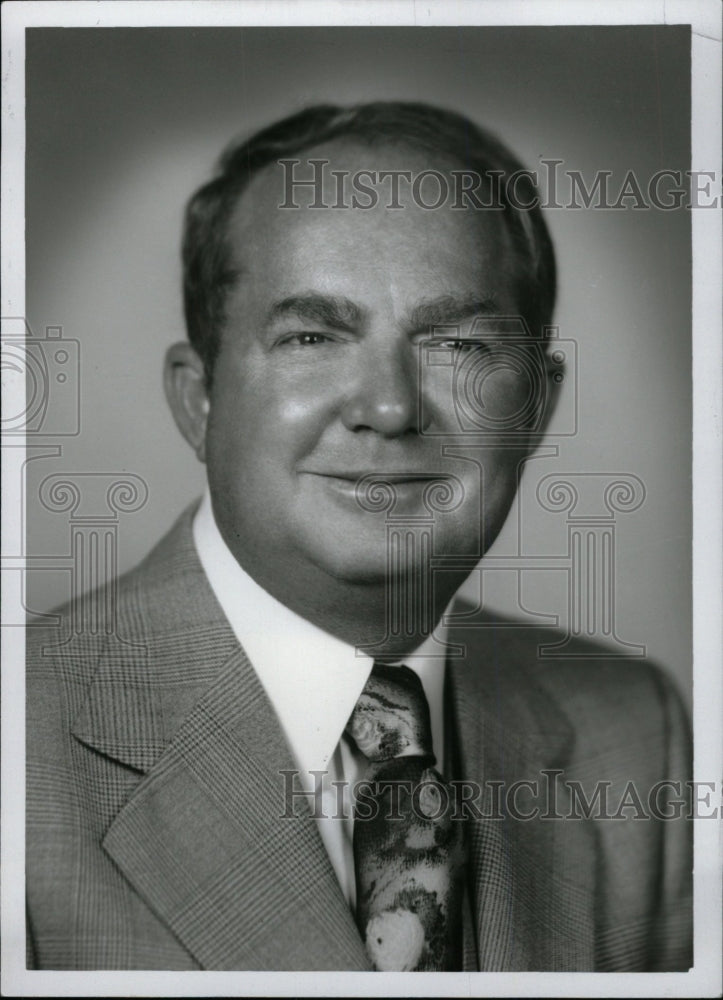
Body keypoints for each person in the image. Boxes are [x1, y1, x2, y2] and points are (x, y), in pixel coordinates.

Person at [26, 102, 692, 972]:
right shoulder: (24, 745)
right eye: (311, 337)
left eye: (456, 343)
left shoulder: (631, 732)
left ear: (534, 405)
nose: (387, 408)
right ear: (200, 400)